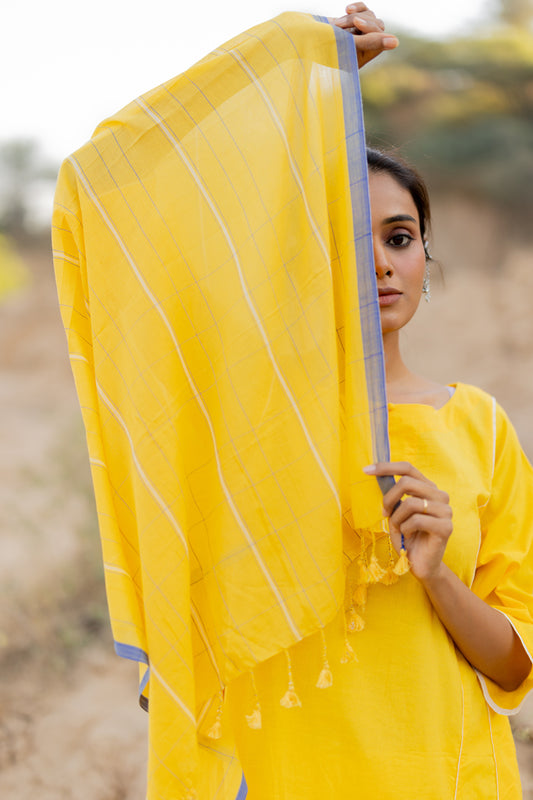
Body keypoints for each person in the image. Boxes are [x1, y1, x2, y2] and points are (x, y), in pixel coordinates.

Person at [51, 6, 533, 799]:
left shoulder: (475, 424)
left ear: (423, 257)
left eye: (400, 236)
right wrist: (300, 72)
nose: (379, 263)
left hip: (443, 778)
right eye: (345, 236)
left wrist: (438, 573)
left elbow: (515, 664)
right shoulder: (252, 416)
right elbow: (110, 182)